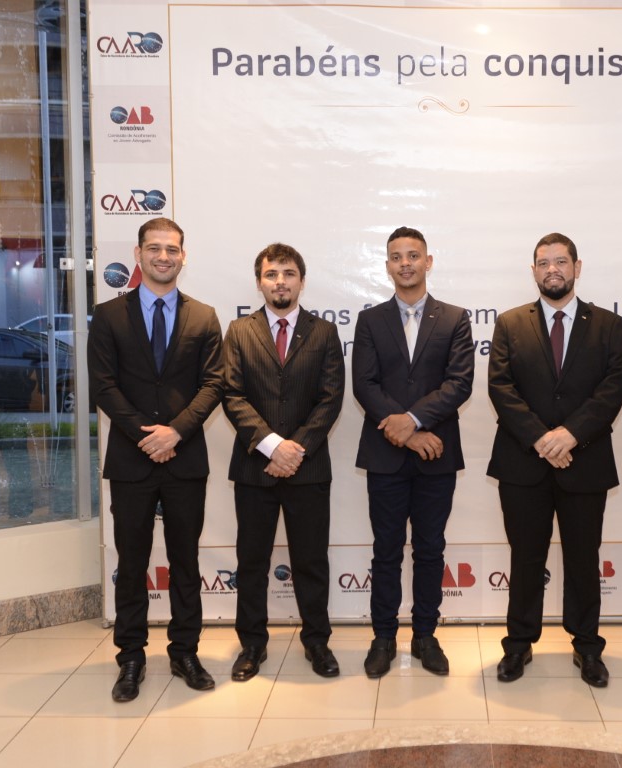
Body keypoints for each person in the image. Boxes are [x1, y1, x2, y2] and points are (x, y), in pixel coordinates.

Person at [88, 217, 225, 702]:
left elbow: (214, 384)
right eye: (154, 248)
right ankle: (130, 657)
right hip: (131, 459)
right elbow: (103, 385)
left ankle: (185, 652)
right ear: (139, 253)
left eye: (172, 249)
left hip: (185, 458)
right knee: (132, 562)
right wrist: (146, 436)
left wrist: (176, 432)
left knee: (186, 561)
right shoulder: (108, 315)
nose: (163, 256)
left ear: (183, 256)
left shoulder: (204, 317)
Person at [487, 232, 622, 688]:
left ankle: (587, 647)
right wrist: (541, 438)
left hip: (584, 461)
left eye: (561, 261)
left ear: (577, 267)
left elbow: (613, 388)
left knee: (584, 560)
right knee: (525, 559)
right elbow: (501, 387)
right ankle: (518, 644)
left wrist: (570, 435)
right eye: (544, 262)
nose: (553, 269)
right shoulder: (510, 323)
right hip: (522, 463)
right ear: (533, 270)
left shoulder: (608, 325)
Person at [352, 227, 474, 678]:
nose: (405, 263)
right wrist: (407, 433)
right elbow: (364, 384)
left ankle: (425, 635)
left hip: (436, 455)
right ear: (387, 265)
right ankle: (383, 638)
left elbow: (459, 383)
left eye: (413, 255)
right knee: (385, 551)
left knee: (430, 549)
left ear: (428, 261)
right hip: (387, 456)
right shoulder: (370, 320)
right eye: (397, 256)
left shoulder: (455, 318)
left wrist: (414, 421)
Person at [222, 242, 345, 681]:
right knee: (252, 562)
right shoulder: (239, 331)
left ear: (301, 281)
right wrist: (273, 446)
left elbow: (331, 399)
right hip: (255, 467)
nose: (280, 282)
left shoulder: (324, 333)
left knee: (311, 561)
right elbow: (232, 395)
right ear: (259, 282)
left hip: (307, 469)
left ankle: (317, 642)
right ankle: (252, 645)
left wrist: (295, 450)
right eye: (272, 274)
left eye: (289, 273)